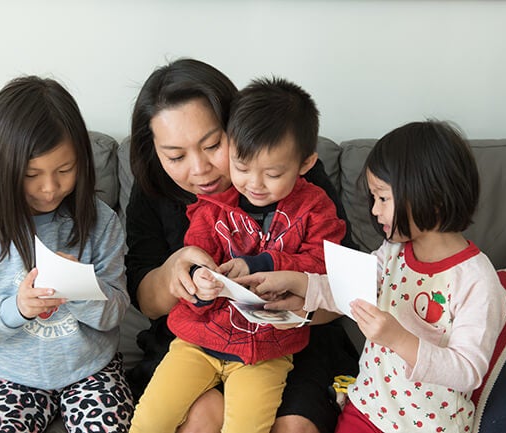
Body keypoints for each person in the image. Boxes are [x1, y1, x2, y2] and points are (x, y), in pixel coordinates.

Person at [125, 57, 359, 433]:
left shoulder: (286, 169)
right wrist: (177, 274)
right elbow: (145, 299)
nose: (199, 169)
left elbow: (346, 284)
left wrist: (298, 297)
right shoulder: (155, 187)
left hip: (290, 342)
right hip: (197, 337)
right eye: (176, 156)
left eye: (214, 145)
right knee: (199, 417)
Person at [239, 120, 506, 433]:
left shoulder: (477, 280)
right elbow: (347, 289)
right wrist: (295, 281)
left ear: (431, 196)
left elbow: (468, 370)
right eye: (373, 198)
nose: (376, 211)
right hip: (367, 407)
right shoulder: (393, 251)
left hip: (428, 426)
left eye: (383, 198)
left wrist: (397, 338)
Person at [0, 76, 134, 432]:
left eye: (65, 170)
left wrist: (81, 289)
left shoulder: (100, 220)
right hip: (10, 379)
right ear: (3, 168)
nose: (50, 188)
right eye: (31, 174)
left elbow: (115, 311)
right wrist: (17, 308)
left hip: (91, 370)